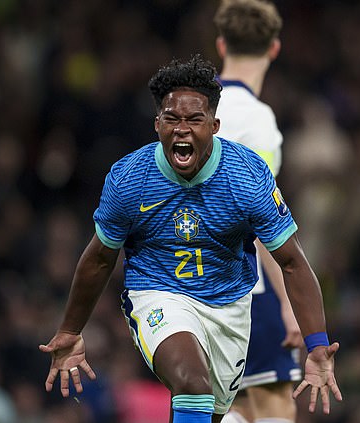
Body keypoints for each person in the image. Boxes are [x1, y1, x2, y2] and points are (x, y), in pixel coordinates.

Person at [39, 55, 342, 422]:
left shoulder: (246, 177)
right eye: (172, 119)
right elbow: (100, 258)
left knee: (202, 410)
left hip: (228, 307)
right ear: (157, 124)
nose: (182, 129)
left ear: (214, 125)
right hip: (157, 293)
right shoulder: (130, 179)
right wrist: (70, 330)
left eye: (194, 120)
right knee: (192, 383)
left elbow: (292, 261)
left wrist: (317, 344)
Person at [213, 1, 302, 422]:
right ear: (275, 49)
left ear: (220, 44)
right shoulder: (258, 121)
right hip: (248, 287)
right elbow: (264, 220)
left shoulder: (188, 112)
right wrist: (290, 304)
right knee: (274, 406)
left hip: (188, 284)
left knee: (232, 407)